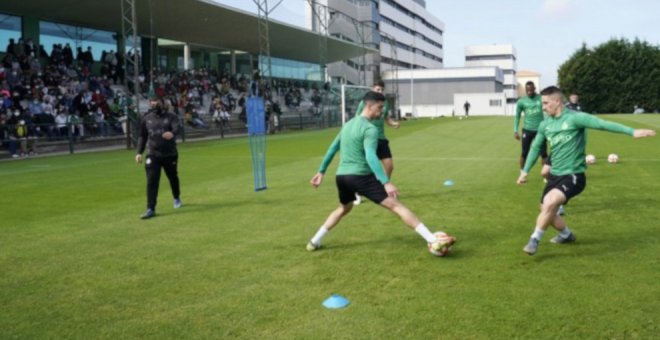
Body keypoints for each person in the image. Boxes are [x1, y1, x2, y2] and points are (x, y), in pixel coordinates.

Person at [306, 91, 454, 252]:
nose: (382, 111)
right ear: (369, 106)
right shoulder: (370, 129)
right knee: (397, 206)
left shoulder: (347, 125)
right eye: (380, 107)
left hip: (341, 177)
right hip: (360, 176)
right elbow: (370, 156)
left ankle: (314, 241)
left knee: (343, 208)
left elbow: (332, 149)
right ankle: (433, 240)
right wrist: (386, 182)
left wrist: (321, 172)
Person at [516, 86, 655, 255]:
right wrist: (525, 171)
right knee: (547, 212)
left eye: (545, 103)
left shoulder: (576, 118)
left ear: (557, 101)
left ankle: (534, 240)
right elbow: (536, 146)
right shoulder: (545, 124)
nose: (542, 107)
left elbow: (603, 124)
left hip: (574, 175)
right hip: (555, 176)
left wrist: (632, 131)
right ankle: (567, 235)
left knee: (550, 203)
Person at [352, 80, 400, 205]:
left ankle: (384, 187)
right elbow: (357, 119)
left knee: (389, 165)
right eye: (378, 89)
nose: (380, 91)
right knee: (364, 169)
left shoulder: (384, 103)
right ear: (373, 89)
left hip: (381, 138)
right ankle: (358, 193)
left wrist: (393, 123)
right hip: (367, 138)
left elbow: (387, 119)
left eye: (382, 90)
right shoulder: (364, 103)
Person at [135, 97, 182, 219]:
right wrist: (139, 152)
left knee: (172, 177)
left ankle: (176, 197)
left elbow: (177, 128)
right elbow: (142, 136)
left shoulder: (171, 116)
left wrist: (172, 133)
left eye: (155, 101)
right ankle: (150, 208)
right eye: (151, 102)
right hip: (152, 154)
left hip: (170, 154)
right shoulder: (146, 118)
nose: (153, 104)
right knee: (152, 181)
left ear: (162, 103)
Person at [514, 81, 548, 170]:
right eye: (527, 90)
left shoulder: (540, 98)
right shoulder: (521, 101)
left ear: (534, 89)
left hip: (540, 130)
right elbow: (517, 116)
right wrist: (515, 130)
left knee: (543, 153)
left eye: (530, 90)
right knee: (524, 152)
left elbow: (548, 110)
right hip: (527, 130)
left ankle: (545, 175)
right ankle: (522, 172)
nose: (529, 92)